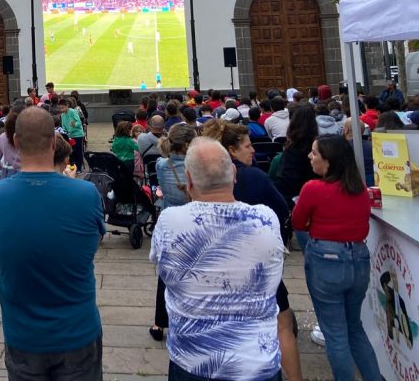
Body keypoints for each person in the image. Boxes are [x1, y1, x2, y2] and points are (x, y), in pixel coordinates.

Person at [0, 107, 105, 380]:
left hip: (23, 335)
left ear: (14, 141)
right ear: (53, 142)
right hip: (76, 332)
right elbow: (91, 245)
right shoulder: (85, 194)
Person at [151, 137, 285, 381]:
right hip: (257, 364)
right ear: (233, 173)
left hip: (192, 363)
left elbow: (163, 270)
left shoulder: (169, 222)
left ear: (188, 181)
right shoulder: (265, 219)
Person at [215, 121, 302, 381]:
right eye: (247, 146)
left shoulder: (212, 176)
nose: (252, 150)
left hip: (226, 261)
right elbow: (282, 209)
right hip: (257, 261)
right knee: (283, 323)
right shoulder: (252, 176)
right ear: (231, 150)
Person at [291, 135, 381, 381]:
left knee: (336, 334)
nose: (310, 157)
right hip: (359, 259)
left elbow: (298, 222)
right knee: (354, 328)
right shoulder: (360, 189)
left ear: (328, 160)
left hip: (327, 260)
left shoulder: (313, 188)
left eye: (314, 153)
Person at [155, 123, 195, 209]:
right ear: (187, 145)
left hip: (168, 213)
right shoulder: (199, 166)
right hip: (192, 215)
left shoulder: (160, 164)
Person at [0, 112, 21, 178]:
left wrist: (4, 168)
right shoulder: (26, 136)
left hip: (8, 173)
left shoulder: (2, 137)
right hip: (25, 172)